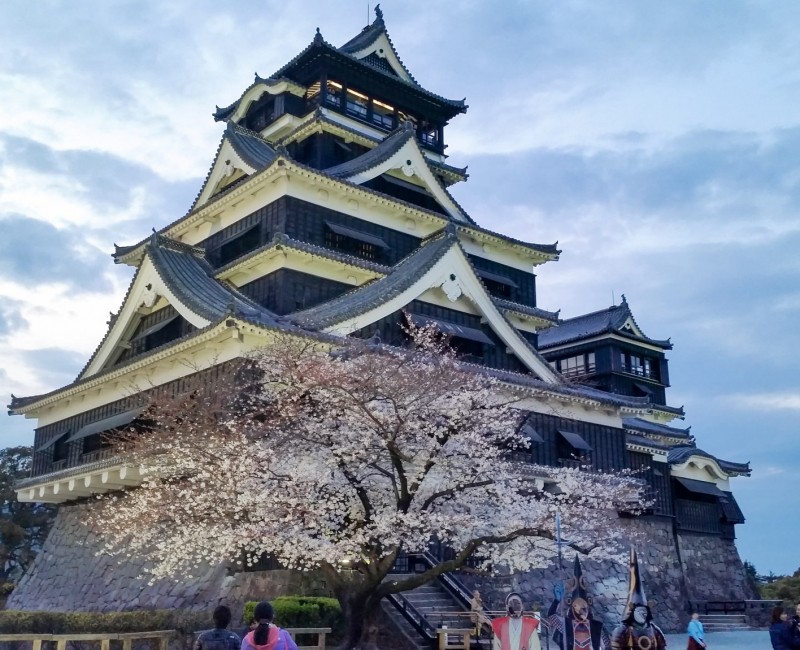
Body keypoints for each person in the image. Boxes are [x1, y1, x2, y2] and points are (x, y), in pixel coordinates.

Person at [545, 556, 610, 650]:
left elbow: (606, 646)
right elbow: (552, 616)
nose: (581, 610)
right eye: (577, 607)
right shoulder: (566, 625)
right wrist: (557, 600)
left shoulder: (596, 626)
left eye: (583, 607)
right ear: (572, 608)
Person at [610, 549, 666, 650]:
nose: (643, 613)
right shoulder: (622, 631)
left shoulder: (655, 630)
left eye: (644, 610)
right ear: (631, 611)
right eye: (640, 610)